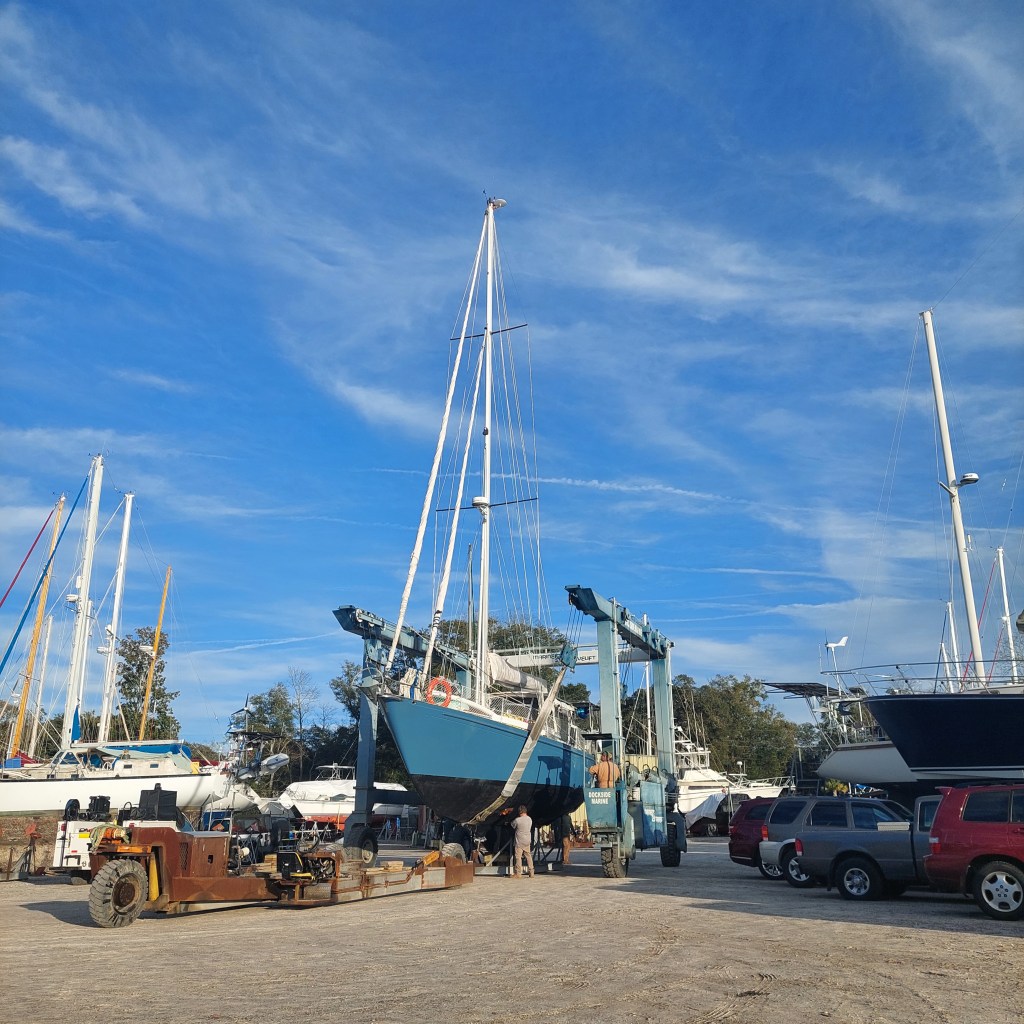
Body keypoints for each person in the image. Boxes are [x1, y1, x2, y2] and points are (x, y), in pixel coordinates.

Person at [510, 804, 534, 878]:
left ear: (519, 812)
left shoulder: (517, 820)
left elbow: (512, 825)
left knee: (518, 857)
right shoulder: (530, 819)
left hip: (519, 841)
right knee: (528, 856)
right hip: (527, 840)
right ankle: (531, 872)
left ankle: (518, 873)